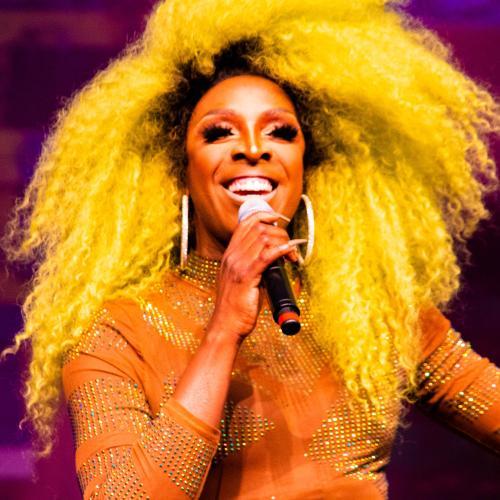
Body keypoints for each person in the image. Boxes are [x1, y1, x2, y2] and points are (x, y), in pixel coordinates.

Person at [2, 0, 499, 498]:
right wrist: (223, 328)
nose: (253, 148)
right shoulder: (116, 333)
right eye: (220, 132)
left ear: (308, 166)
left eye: (280, 132)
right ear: (178, 172)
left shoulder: (373, 313)